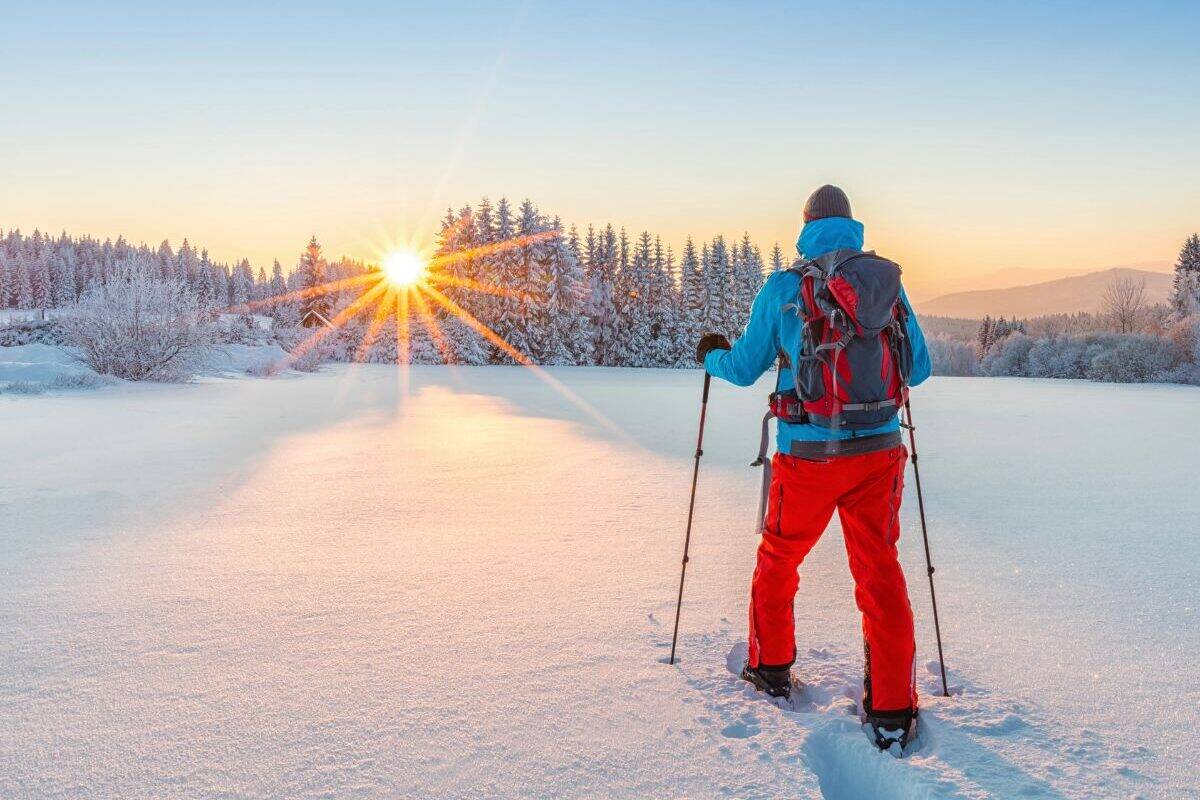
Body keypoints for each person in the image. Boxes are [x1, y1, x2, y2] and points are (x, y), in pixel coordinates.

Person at [696, 185, 931, 750]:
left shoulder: (784, 287)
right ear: (851, 225)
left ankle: (771, 669)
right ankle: (892, 707)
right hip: (878, 455)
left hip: (806, 458)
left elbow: (746, 366)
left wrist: (710, 355)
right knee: (880, 572)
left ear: (805, 225)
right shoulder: (885, 285)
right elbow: (918, 369)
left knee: (779, 560)